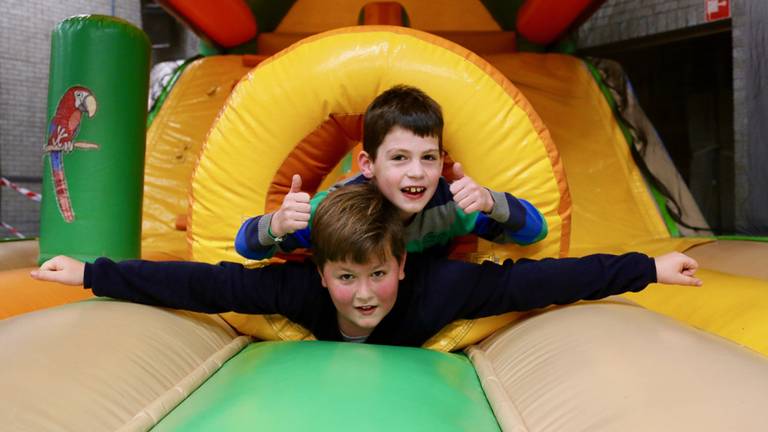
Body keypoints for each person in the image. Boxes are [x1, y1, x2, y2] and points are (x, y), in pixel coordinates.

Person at [32, 183, 702, 347]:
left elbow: (546, 278)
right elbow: (204, 281)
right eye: (346, 278)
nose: (362, 295)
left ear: (402, 267)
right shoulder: (300, 288)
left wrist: (648, 267)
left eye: (377, 274)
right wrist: (92, 273)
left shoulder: (444, 288)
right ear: (320, 273)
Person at [234, 84, 548, 260]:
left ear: (441, 162)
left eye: (428, 158)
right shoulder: (337, 209)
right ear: (368, 165)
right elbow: (246, 247)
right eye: (399, 158)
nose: (417, 172)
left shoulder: (452, 206)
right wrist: (277, 223)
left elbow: (535, 232)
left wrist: (490, 201)